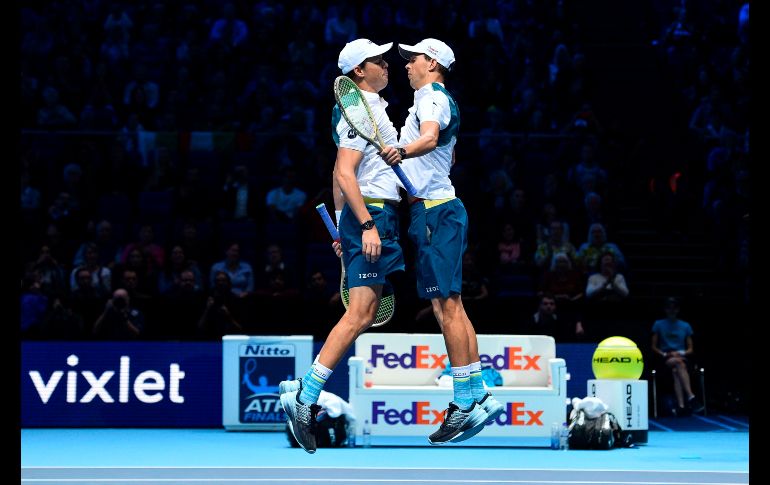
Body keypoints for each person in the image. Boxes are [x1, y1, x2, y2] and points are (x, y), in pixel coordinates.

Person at [279, 38, 405, 454]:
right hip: (373, 213)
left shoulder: (370, 110)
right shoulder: (356, 114)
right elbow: (347, 176)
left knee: (364, 312)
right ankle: (304, 393)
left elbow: (336, 173)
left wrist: (339, 230)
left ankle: (305, 390)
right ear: (358, 72)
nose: (386, 65)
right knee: (359, 313)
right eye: (377, 61)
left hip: (367, 215)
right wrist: (364, 225)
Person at [378, 38, 503, 445]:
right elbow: (445, 155)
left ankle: (465, 401)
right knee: (452, 305)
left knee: (445, 307)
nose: (407, 66)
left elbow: (430, 139)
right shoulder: (434, 99)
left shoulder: (431, 97)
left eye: (412, 59)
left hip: (435, 211)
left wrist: (401, 150)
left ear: (432, 63)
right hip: (437, 209)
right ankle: (476, 394)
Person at [651, 297, 704, 416]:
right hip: (665, 357)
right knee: (678, 364)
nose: (671, 310)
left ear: (678, 310)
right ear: (665, 309)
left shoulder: (685, 326)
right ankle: (691, 396)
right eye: (669, 308)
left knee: (677, 369)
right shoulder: (658, 324)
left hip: (682, 357)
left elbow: (690, 349)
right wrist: (666, 354)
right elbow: (654, 347)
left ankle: (681, 406)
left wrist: (680, 353)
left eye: (674, 308)